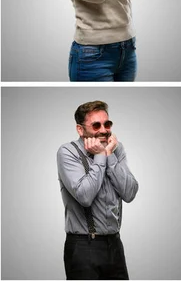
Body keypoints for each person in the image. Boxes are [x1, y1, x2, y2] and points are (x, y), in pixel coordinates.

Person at [57, 100, 139, 279]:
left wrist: (110, 155)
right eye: (96, 125)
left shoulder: (116, 148)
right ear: (80, 129)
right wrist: (100, 156)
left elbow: (130, 193)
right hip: (84, 247)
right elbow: (84, 196)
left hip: (115, 244)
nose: (104, 130)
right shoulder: (67, 152)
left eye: (107, 124)